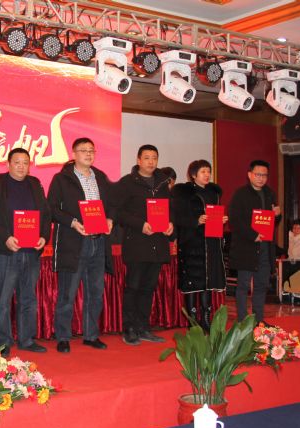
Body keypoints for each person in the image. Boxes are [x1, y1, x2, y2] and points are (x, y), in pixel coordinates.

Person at [0, 148, 51, 357]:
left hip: (31, 251)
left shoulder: (35, 184)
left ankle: (26, 339)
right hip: (7, 251)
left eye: (25, 163)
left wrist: (43, 236)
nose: (22, 166)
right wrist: (5, 237)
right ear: (8, 164)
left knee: (28, 297)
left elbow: (45, 214)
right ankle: (4, 342)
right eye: (17, 162)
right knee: (3, 299)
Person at [47, 138, 114, 354]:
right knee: (68, 293)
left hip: (98, 241)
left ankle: (91, 335)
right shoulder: (62, 179)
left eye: (91, 150)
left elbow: (112, 205)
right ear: (74, 154)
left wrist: (110, 219)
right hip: (73, 242)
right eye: (83, 150)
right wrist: (73, 222)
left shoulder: (100, 177)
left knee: (95, 292)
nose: (88, 154)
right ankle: (63, 337)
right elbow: (52, 208)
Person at [115, 144, 172, 345]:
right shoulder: (127, 183)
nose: (151, 161)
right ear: (138, 160)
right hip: (137, 243)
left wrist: (171, 224)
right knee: (133, 287)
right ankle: (129, 328)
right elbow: (118, 213)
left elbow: (170, 209)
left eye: (154, 158)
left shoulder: (163, 183)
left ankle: (143, 327)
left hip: (157, 243)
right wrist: (140, 224)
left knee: (148, 288)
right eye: (146, 157)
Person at [172, 160, 228, 331]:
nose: (207, 175)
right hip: (192, 244)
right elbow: (177, 217)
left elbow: (214, 215)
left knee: (207, 282)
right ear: (193, 175)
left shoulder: (213, 193)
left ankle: (206, 319)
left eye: (208, 171)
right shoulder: (184, 193)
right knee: (192, 284)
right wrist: (196, 220)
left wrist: (221, 220)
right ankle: (192, 321)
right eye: (203, 171)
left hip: (211, 243)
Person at [229, 160, 280, 324]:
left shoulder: (270, 194)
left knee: (261, 285)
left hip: (265, 247)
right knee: (243, 286)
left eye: (264, 175)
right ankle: (243, 322)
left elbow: (272, 223)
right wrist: (253, 235)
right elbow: (235, 220)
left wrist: (277, 215)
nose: (261, 178)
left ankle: (259, 320)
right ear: (249, 175)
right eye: (258, 174)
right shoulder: (240, 194)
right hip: (246, 247)